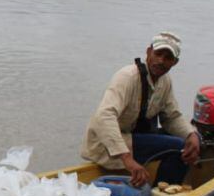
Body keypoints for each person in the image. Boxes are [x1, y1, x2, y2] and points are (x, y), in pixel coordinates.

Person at [80, 31, 201, 187]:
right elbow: (103, 116)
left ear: (175, 62)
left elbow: (171, 117)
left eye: (168, 58)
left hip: (134, 137)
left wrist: (191, 135)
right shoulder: (127, 77)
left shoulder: (165, 82)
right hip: (111, 144)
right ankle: (161, 195)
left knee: (190, 142)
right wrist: (127, 158)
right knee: (178, 147)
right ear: (148, 52)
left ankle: (163, 190)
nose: (161, 61)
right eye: (158, 54)